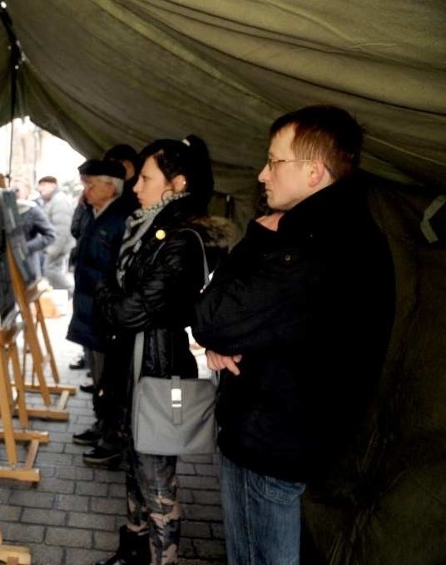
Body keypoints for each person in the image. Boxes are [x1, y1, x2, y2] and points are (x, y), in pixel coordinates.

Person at [192, 105, 395, 565]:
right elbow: (239, 324)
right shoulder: (344, 231)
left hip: (270, 444)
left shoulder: (312, 245)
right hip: (289, 436)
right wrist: (226, 338)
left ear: (313, 171)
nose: (263, 174)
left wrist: (256, 239)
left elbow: (210, 317)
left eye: (274, 161)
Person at [93, 135, 233, 565]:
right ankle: (133, 550)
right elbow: (126, 301)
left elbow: (131, 310)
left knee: (156, 478)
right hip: (136, 364)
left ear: (177, 183)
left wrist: (104, 297)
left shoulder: (182, 239)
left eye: (147, 178)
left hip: (158, 368)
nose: (136, 186)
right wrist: (112, 299)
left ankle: (162, 558)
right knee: (136, 469)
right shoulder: (151, 229)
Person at [67, 159, 136, 468]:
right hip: (89, 311)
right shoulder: (97, 214)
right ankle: (101, 425)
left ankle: (112, 438)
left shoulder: (120, 219)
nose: (86, 190)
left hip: (104, 315)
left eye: (91, 184)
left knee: (110, 380)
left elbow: (118, 272)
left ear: (111, 187)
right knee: (99, 377)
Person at [37, 176, 76, 295]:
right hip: (56, 245)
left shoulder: (59, 201)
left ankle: (70, 291)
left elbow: (62, 228)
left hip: (58, 245)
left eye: (44, 185)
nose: (40, 188)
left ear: (53, 185)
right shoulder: (54, 200)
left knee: (51, 271)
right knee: (52, 272)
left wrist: (53, 249)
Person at [12, 177, 56, 280]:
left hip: (28, 263)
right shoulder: (7, 209)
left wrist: (26, 247)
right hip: (10, 263)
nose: (15, 193)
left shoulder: (33, 210)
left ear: (27, 191)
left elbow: (50, 235)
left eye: (18, 190)